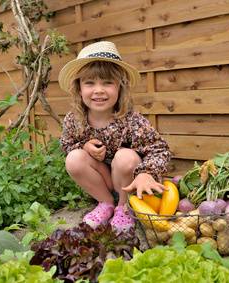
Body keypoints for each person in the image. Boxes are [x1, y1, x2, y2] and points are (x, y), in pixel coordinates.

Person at [58, 41, 171, 233]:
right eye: (90, 83)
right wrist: (84, 147)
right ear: (79, 88)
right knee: (74, 158)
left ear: (120, 88)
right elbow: (67, 144)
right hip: (103, 179)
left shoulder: (131, 120)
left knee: (125, 156)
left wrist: (146, 172)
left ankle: (123, 207)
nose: (99, 90)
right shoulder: (74, 119)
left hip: (127, 180)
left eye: (107, 82)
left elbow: (159, 149)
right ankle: (106, 203)